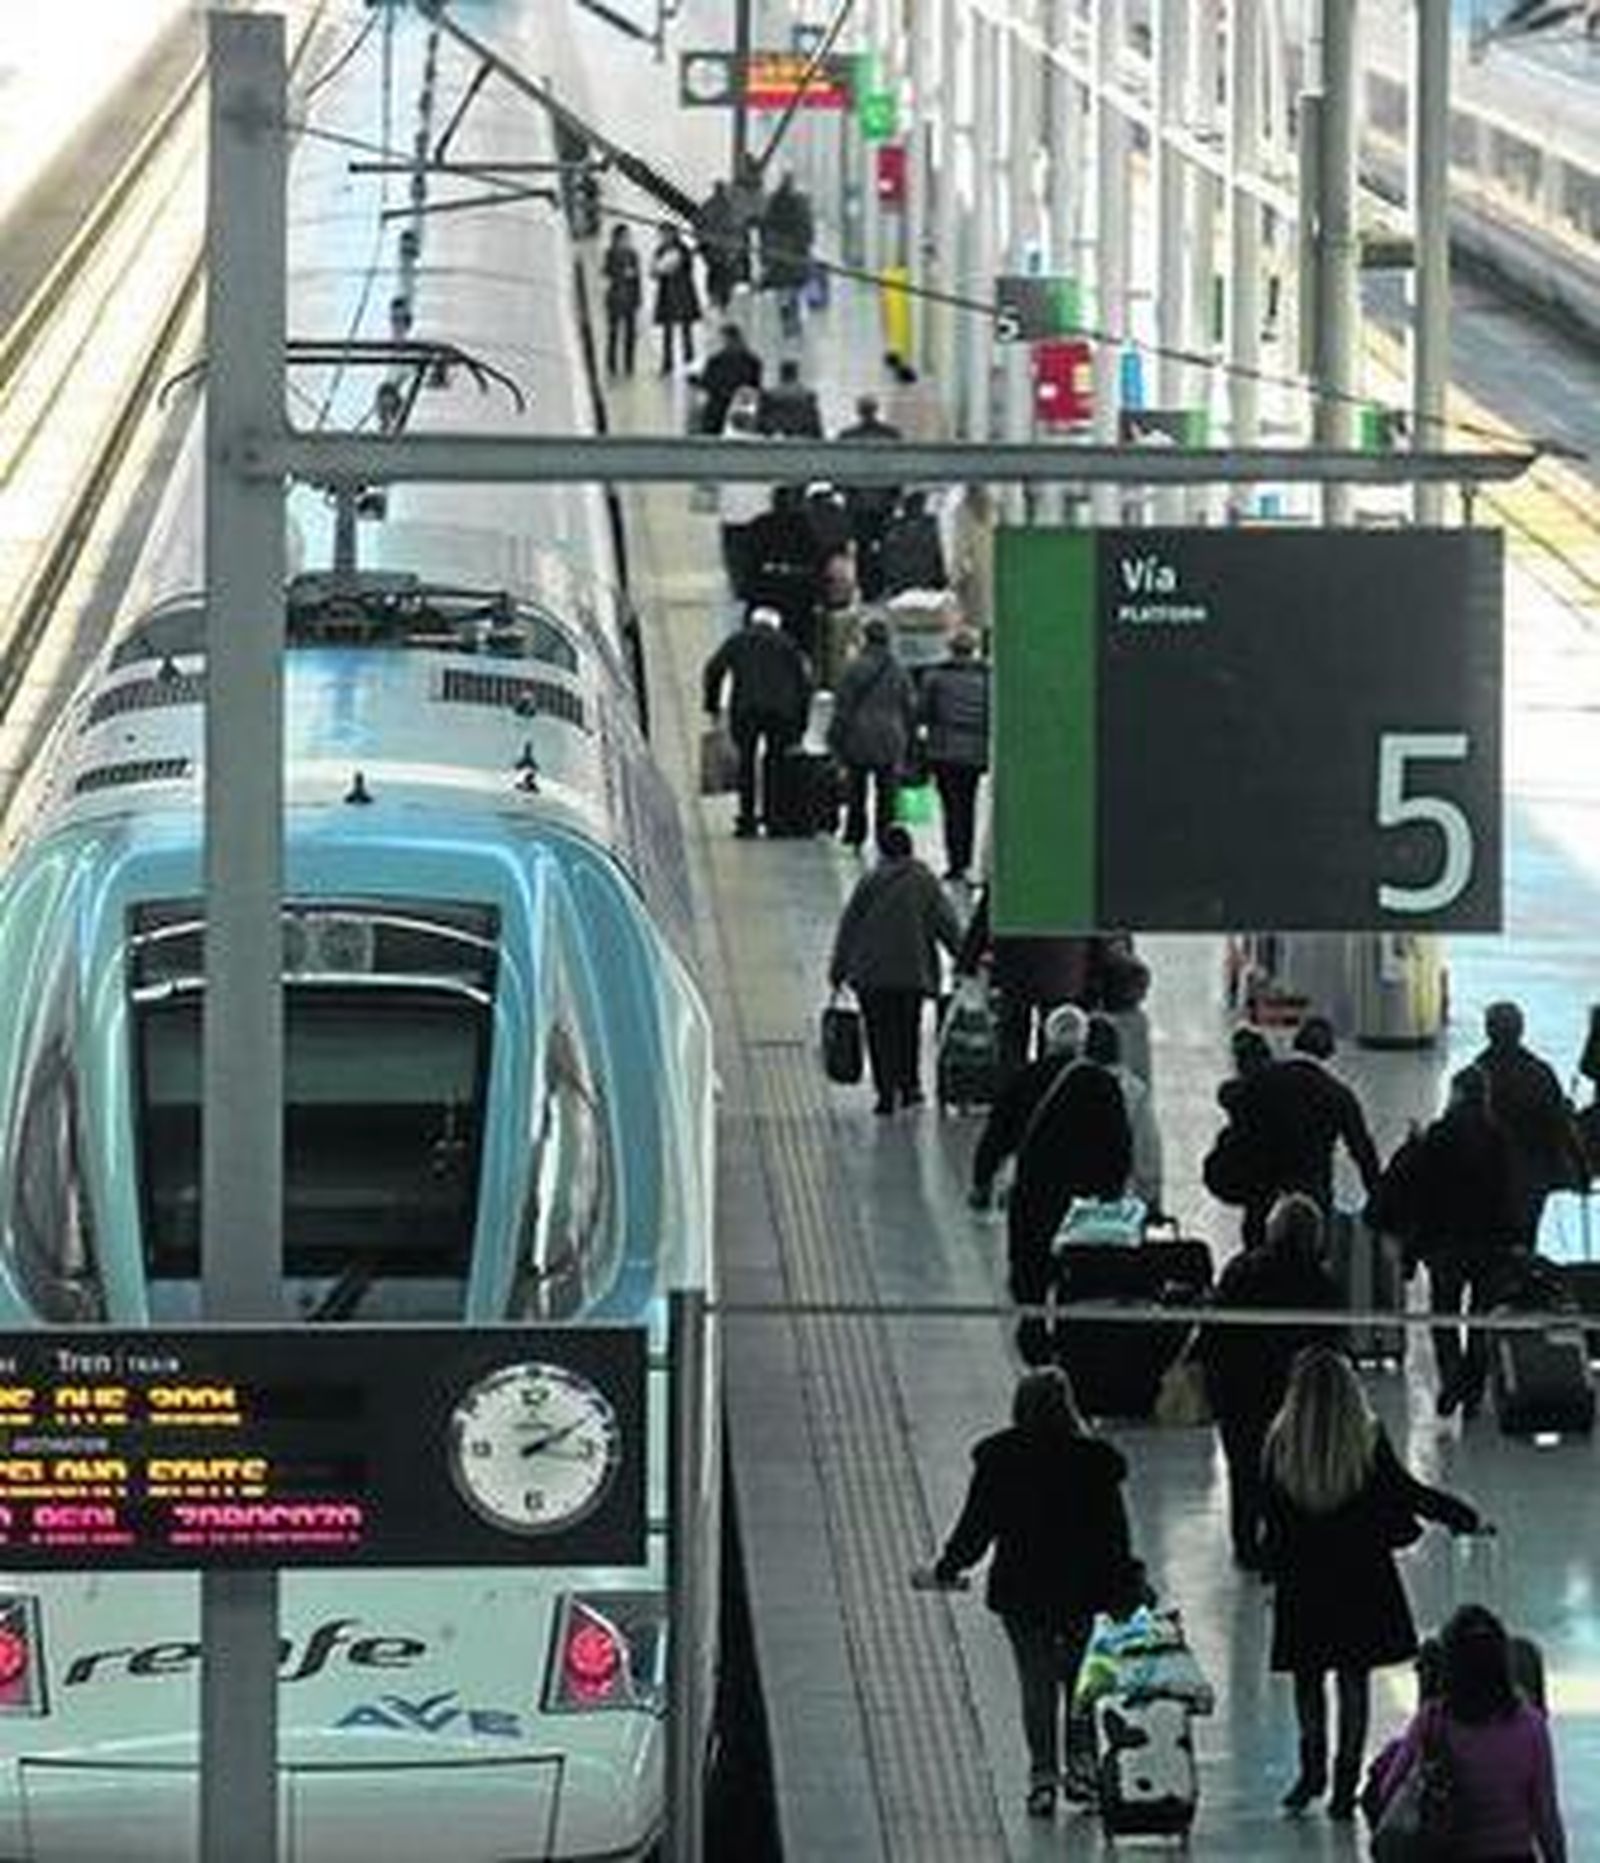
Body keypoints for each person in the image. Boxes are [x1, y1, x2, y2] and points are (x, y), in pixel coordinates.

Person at [1260, 1346, 1482, 1821]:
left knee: (1307, 1679)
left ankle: (1310, 1773)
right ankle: (1345, 1784)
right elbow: (1407, 1494)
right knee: (1354, 1681)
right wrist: (1460, 1515)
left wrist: (1271, 1573)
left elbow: (1270, 1519)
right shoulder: (1366, 1438)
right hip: (1360, 1580)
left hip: (1303, 1583)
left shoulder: (1279, 1442)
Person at [917, 1366, 1139, 1818]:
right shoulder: (1094, 1462)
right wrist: (1126, 1585)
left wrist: (948, 1567)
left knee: (1036, 1683)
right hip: (1082, 1590)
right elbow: (1114, 1535)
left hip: (1022, 1591)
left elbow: (976, 1526)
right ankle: (1082, 1769)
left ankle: (1042, 1779)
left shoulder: (1000, 1459)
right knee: (1080, 1680)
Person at [1195, 1193, 1341, 1573]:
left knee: (1244, 1470)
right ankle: (1284, 1541)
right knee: (1291, 1471)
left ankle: (1246, 1545)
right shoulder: (1321, 1283)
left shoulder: (1241, 1270)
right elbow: (1331, 1346)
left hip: (1239, 1391)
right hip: (1293, 1395)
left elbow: (1214, 1332)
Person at [1365, 1604, 1567, 1862]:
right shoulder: (1531, 1725)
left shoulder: (1432, 1720)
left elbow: (1388, 1790)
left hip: (1447, 1853)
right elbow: (1546, 1814)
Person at [1393, 1066, 1521, 1420]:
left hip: (1446, 1244)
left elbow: (1424, 1195)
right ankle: (1473, 1393)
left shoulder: (1441, 1134)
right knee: (1481, 1319)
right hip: (1490, 1246)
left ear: (1458, 1093)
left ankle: (1452, 1376)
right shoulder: (1498, 1137)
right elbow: (1509, 1194)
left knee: (1444, 1314)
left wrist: (1413, 1248)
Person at [828, 825, 963, 1113]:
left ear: (883, 851)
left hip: (871, 975)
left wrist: (838, 968)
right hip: (911, 973)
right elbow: (946, 924)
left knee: (878, 1033)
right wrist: (964, 959)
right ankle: (910, 1086)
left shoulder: (870, 881)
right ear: (910, 850)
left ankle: (885, 1092)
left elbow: (849, 926)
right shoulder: (924, 881)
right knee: (907, 1030)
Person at [1007, 1022, 1132, 1304]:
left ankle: (1031, 1318)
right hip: (1086, 1197)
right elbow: (1120, 1144)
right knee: (1077, 1269)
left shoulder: (1027, 1077)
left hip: (1034, 1190)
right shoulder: (1107, 1085)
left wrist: (982, 1178)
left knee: (1030, 1269)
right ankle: (1069, 1314)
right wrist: (1114, 1191)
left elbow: (999, 1130)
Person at [1231, 1014, 1384, 1224]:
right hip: (1313, 1193)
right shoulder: (1338, 1094)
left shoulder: (1263, 1079)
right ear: (1330, 1052)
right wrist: (1378, 1195)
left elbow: (1234, 1104)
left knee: (1258, 1231)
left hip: (1264, 1187)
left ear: (1296, 1042)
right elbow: (1362, 1149)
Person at [1474, 1000, 1588, 1248]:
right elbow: (1561, 1125)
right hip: (1531, 1180)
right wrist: (1581, 1168)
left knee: (1491, 1243)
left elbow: (1456, 1128)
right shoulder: (1540, 1073)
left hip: (1485, 1179)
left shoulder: (1474, 1075)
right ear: (1521, 1030)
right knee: (1525, 1241)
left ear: (1488, 1031)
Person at [955, 887, 1098, 1079]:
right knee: (1056, 1037)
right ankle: (1050, 1086)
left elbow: (987, 911)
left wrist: (967, 961)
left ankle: (1013, 1088)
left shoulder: (1013, 867)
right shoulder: (1073, 870)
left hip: (1016, 962)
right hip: (1063, 965)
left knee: (1011, 1037)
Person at [701, 606, 813, 838]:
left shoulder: (738, 640)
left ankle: (747, 820)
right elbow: (804, 684)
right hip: (780, 713)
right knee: (775, 764)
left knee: (746, 764)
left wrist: (712, 704)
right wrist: (801, 722)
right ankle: (774, 819)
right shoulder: (787, 644)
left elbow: (713, 668)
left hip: (746, 710)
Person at [969, 1003, 1087, 1212]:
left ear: (1048, 1038)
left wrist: (982, 1182)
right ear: (1083, 1041)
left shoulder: (1023, 1080)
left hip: (1031, 1181)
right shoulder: (1099, 1083)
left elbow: (996, 1135)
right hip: (1079, 1187)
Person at [827, 616, 917, 850]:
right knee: (887, 792)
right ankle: (884, 835)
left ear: (865, 638)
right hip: (891, 737)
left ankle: (855, 832)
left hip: (858, 736)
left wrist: (834, 738)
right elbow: (909, 706)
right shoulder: (899, 670)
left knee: (856, 788)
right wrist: (910, 740)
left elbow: (843, 706)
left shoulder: (854, 668)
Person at [915, 627, 988, 881]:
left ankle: (955, 862)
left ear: (950, 649)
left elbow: (922, 712)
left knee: (950, 807)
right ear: (973, 649)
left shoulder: (935, 677)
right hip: (975, 751)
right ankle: (966, 858)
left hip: (944, 750)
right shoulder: (986, 678)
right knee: (968, 805)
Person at [1085, 1014, 1163, 1217]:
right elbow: (1146, 1149)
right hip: (1122, 1205)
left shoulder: (1070, 1088)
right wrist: (1150, 1197)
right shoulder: (1134, 1090)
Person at [836, 395, 904, 600]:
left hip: (857, 503)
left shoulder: (847, 437)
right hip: (884, 501)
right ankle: (882, 584)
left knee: (862, 546)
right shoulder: (891, 435)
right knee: (885, 545)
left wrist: (843, 492)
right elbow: (898, 469)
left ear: (859, 411)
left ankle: (866, 587)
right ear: (876, 410)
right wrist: (896, 496)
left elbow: (839, 470)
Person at [717, 390, 769, 602]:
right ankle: (748, 585)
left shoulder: (724, 445)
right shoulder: (765, 446)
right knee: (753, 554)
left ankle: (737, 586)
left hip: (730, 514)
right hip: (758, 514)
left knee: (733, 554)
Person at [758, 171, 815, 337]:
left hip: (779, 253)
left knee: (783, 288)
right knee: (793, 288)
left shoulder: (774, 202)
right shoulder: (798, 202)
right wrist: (806, 245)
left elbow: (765, 227)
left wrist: (765, 254)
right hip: (794, 253)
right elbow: (806, 228)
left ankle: (787, 319)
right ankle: (793, 320)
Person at [691, 322, 763, 436]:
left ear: (725, 339)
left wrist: (695, 381)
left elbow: (707, 384)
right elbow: (755, 386)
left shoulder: (716, 361)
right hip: (742, 407)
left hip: (718, 408)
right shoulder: (753, 361)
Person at [650, 224, 701, 374]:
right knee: (668, 332)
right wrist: (659, 270)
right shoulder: (660, 250)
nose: (663, 237)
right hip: (667, 293)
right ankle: (668, 363)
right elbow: (654, 272)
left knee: (686, 331)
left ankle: (689, 361)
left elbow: (688, 267)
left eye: (666, 234)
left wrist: (670, 267)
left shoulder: (683, 250)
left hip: (682, 292)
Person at [878, 490, 950, 597]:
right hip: (922, 583)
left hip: (908, 584)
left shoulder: (894, 529)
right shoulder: (930, 526)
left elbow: (886, 560)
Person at [693, 179, 747, 310]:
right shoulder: (722, 206)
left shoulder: (719, 206)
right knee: (720, 273)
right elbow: (699, 224)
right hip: (718, 250)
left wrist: (703, 239)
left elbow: (737, 229)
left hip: (720, 250)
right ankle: (718, 300)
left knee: (719, 273)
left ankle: (719, 300)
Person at [601, 224, 642, 377]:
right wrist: (622, 273)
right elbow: (606, 272)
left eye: (628, 237)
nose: (627, 240)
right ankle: (611, 365)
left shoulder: (634, 254)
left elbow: (637, 279)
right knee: (613, 333)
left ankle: (629, 365)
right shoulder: (610, 253)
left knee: (630, 334)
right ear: (616, 238)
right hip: (615, 299)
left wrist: (638, 300)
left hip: (630, 299)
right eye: (624, 237)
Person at [756, 357, 824, 438]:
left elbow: (759, 424)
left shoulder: (769, 395)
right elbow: (815, 427)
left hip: (775, 438)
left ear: (781, 374)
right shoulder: (808, 395)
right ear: (796, 374)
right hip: (802, 438)